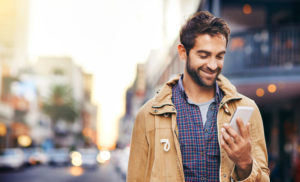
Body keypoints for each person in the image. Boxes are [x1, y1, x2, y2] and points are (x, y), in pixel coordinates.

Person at [127, 11, 270, 182]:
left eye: (219, 56)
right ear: (182, 52)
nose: (212, 65)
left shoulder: (248, 110)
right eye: (203, 55)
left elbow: (263, 178)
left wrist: (245, 163)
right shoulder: (149, 115)